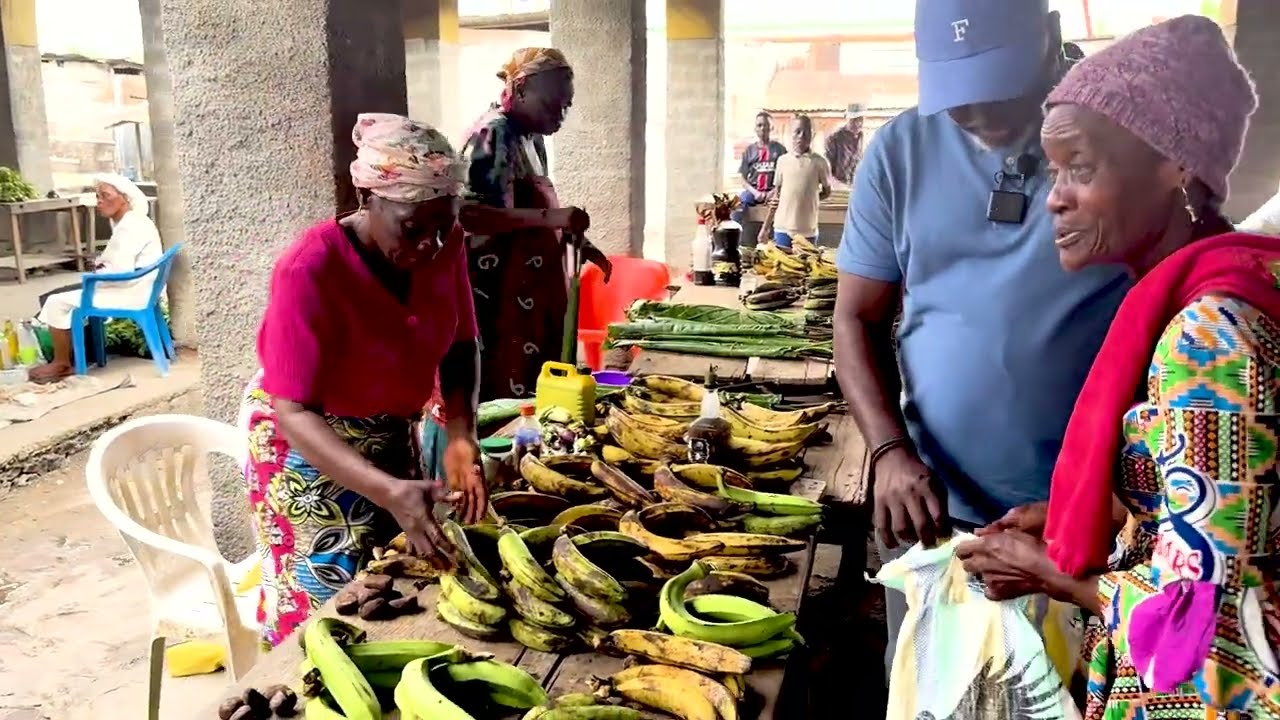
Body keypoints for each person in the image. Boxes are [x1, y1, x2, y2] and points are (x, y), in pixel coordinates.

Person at [954, 16, 1280, 719]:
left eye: (1082, 166)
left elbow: (1210, 626)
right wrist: (1110, 524)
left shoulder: (1209, 338)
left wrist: (1050, 574)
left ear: (1176, 164)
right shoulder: (1202, 294)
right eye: (1053, 170)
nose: (1055, 196)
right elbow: (1215, 525)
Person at [833, 0, 1130, 676]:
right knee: (931, 693)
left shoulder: (1122, 149)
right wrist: (888, 451)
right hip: (936, 517)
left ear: (1051, 38)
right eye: (960, 95)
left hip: (1090, 524)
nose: (984, 113)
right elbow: (855, 318)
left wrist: (1111, 504)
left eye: (1002, 84)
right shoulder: (900, 152)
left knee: (1066, 695)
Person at [240, 113, 489, 649]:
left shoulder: (445, 246)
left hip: (389, 431)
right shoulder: (309, 269)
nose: (431, 245)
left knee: (396, 583)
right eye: (412, 227)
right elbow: (294, 409)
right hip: (306, 447)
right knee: (323, 608)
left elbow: (462, 344)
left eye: (443, 224)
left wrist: (463, 435)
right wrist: (386, 489)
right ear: (368, 199)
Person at [457, 47, 605, 402]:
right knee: (502, 397)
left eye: (567, 105)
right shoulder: (492, 135)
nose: (562, 113)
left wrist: (577, 243)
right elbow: (469, 215)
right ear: (520, 89)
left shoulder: (531, 137)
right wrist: (552, 218)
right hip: (498, 298)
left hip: (531, 294)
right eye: (554, 103)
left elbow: (535, 212)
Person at [28, 174, 163, 383]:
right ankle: (75, 355)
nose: (99, 201)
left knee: (56, 301)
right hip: (140, 287)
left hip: (130, 292)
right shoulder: (134, 222)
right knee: (64, 294)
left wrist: (95, 275)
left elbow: (118, 271)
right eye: (98, 196)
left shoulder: (129, 226)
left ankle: (62, 363)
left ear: (124, 198)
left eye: (105, 196)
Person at [759, 115, 831, 249]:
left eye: (806, 132)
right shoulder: (782, 161)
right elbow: (776, 197)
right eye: (797, 131)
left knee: (805, 268)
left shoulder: (820, 162)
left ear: (812, 135)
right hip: (782, 228)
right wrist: (765, 228)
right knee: (782, 266)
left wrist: (811, 198)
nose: (801, 136)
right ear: (790, 134)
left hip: (807, 230)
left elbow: (827, 192)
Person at [729, 112, 787, 226]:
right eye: (759, 125)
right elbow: (742, 178)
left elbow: (786, 176)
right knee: (737, 206)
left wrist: (773, 192)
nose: (763, 128)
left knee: (785, 207)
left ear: (771, 127)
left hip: (773, 192)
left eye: (766, 125)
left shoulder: (780, 150)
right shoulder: (749, 150)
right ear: (755, 128)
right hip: (753, 192)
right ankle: (735, 238)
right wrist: (755, 193)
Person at [824, 102, 867, 187]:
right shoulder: (834, 139)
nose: (858, 123)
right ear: (847, 119)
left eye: (861, 119)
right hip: (838, 187)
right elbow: (827, 171)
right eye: (854, 120)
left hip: (855, 186)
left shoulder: (862, 137)